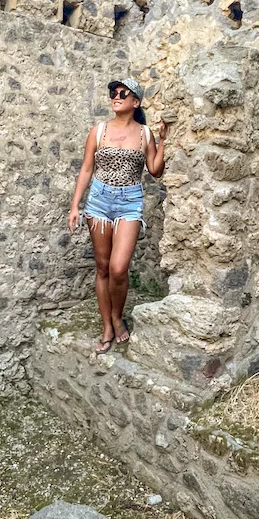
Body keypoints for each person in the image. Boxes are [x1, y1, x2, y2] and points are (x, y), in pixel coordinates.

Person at [67, 78, 168, 353]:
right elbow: (87, 169)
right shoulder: (99, 131)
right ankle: (108, 324)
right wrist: (75, 205)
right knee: (102, 267)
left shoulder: (144, 134)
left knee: (118, 268)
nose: (117, 96)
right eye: (113, 92)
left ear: (136, 102)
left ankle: (116, 314)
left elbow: (155, 170)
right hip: (99, 202)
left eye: (124, 93)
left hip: (130, 202)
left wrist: (163, 141)